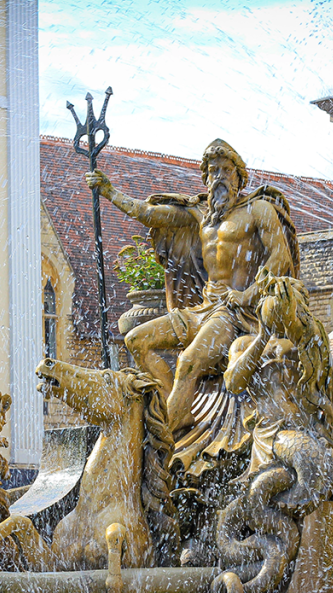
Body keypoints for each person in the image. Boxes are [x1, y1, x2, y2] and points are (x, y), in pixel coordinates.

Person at [86, 139, 297, 434]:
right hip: (201, 310)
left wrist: (247, 295)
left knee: (187, 361)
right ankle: (174, 409)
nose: (219, 176)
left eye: (226, 170)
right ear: (206, 178)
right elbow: (149, 214)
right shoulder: (199, 213)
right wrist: (110, 192)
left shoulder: (258, 210)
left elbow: (280, 256)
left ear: (239, 176)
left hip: (233, 313)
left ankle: (169, 429)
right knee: (136, 340)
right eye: (213, 171)